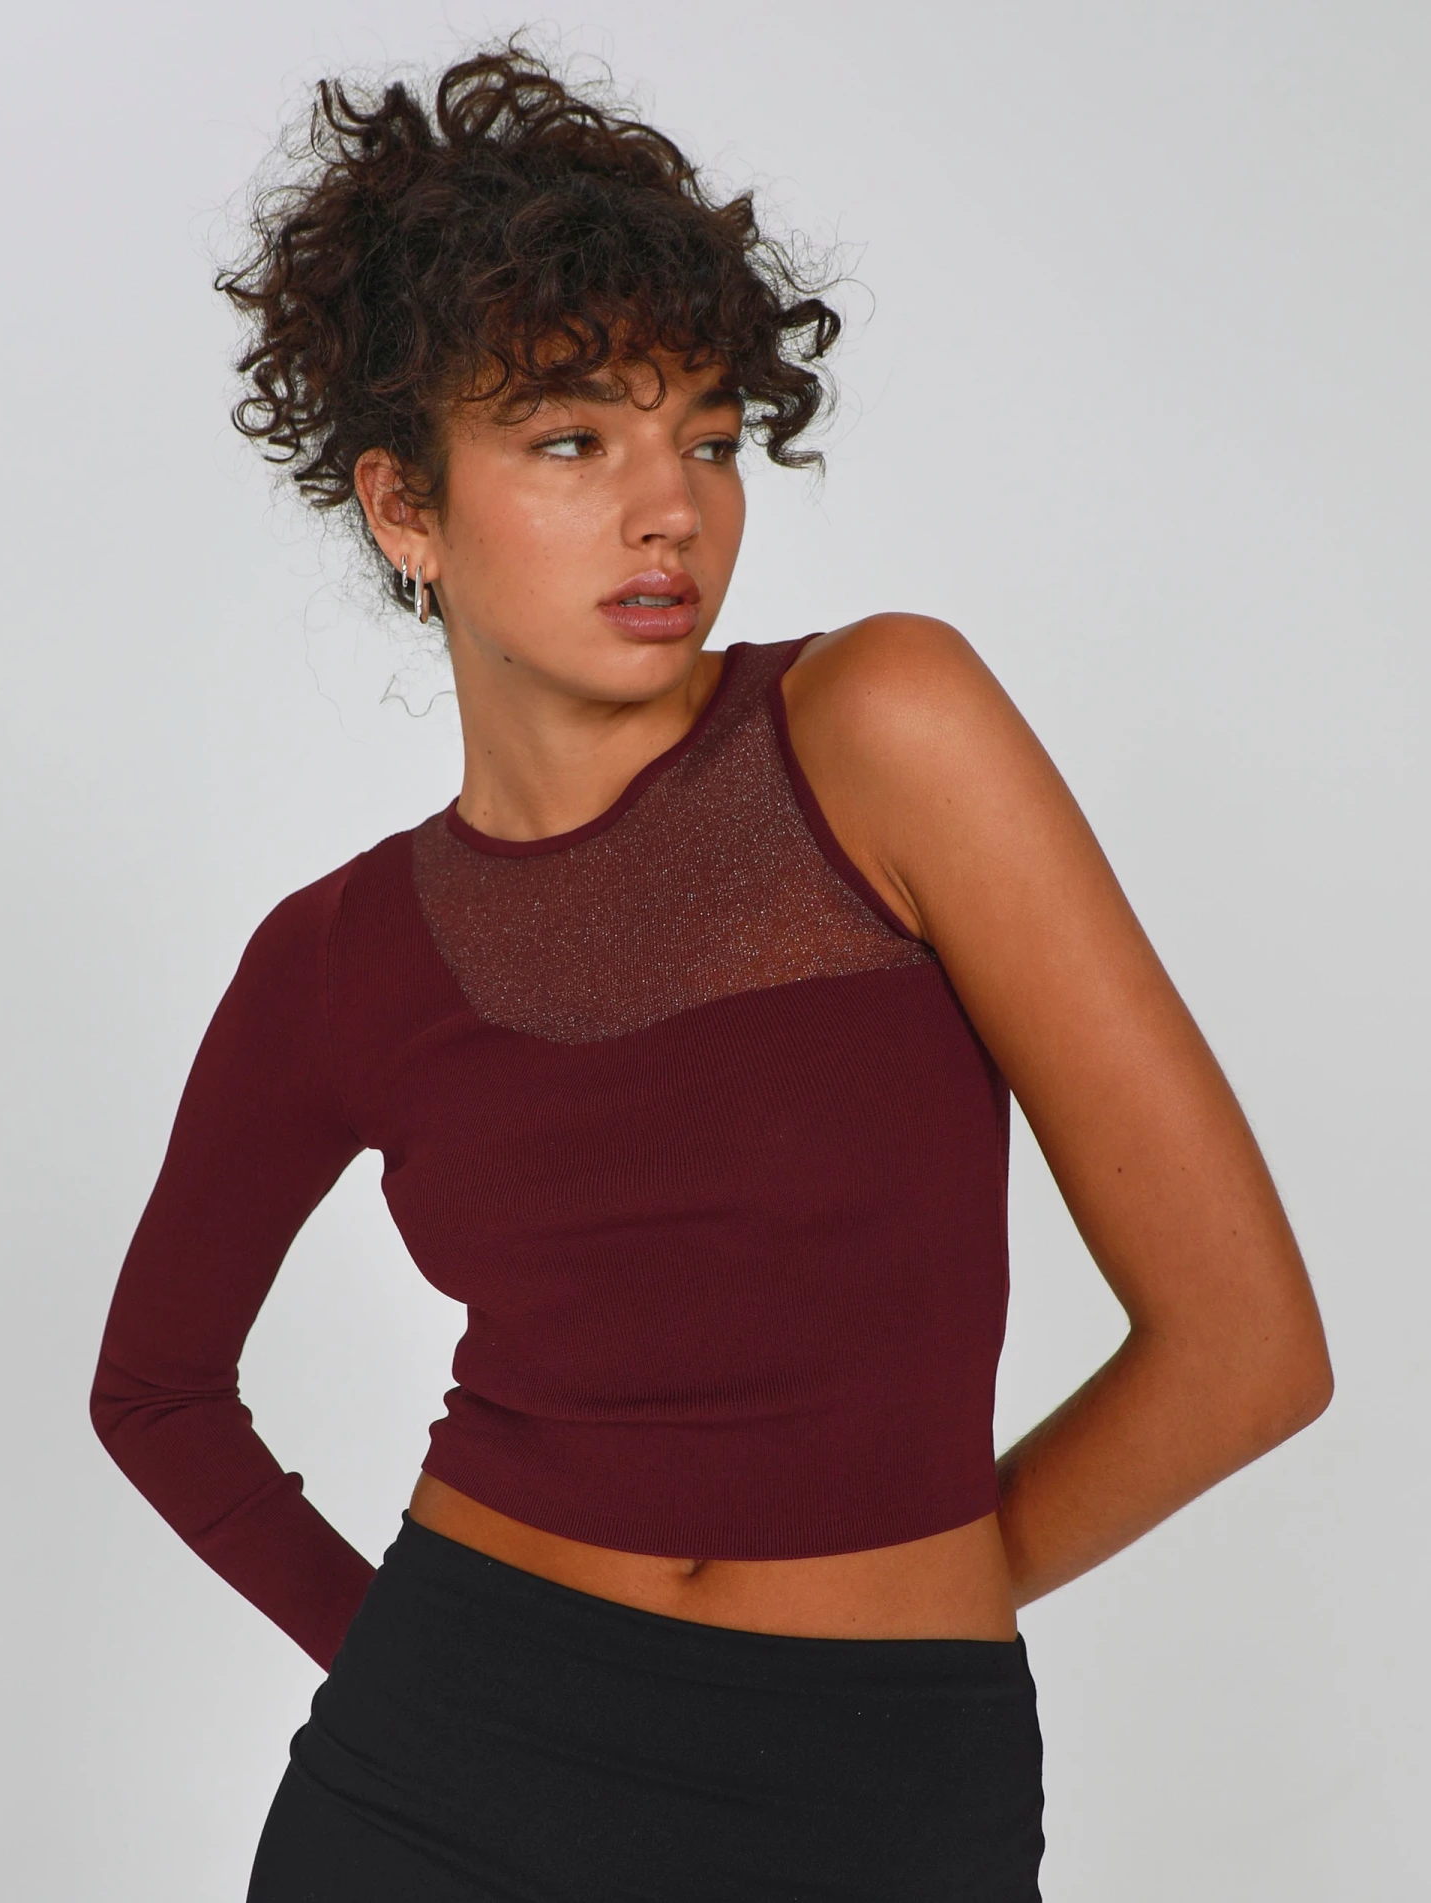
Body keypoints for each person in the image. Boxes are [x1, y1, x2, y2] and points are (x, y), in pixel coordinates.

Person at [90, 44, 1333, 1902]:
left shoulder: (881, 727)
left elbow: (1248, 1350)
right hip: (437, 1783)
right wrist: (413, 1675)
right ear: (406, 509)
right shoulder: (334, 958)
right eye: (571, 440)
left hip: (873, 1787)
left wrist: (912, 1607)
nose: (669, 506)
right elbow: (156, 1386)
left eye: (711, 435)